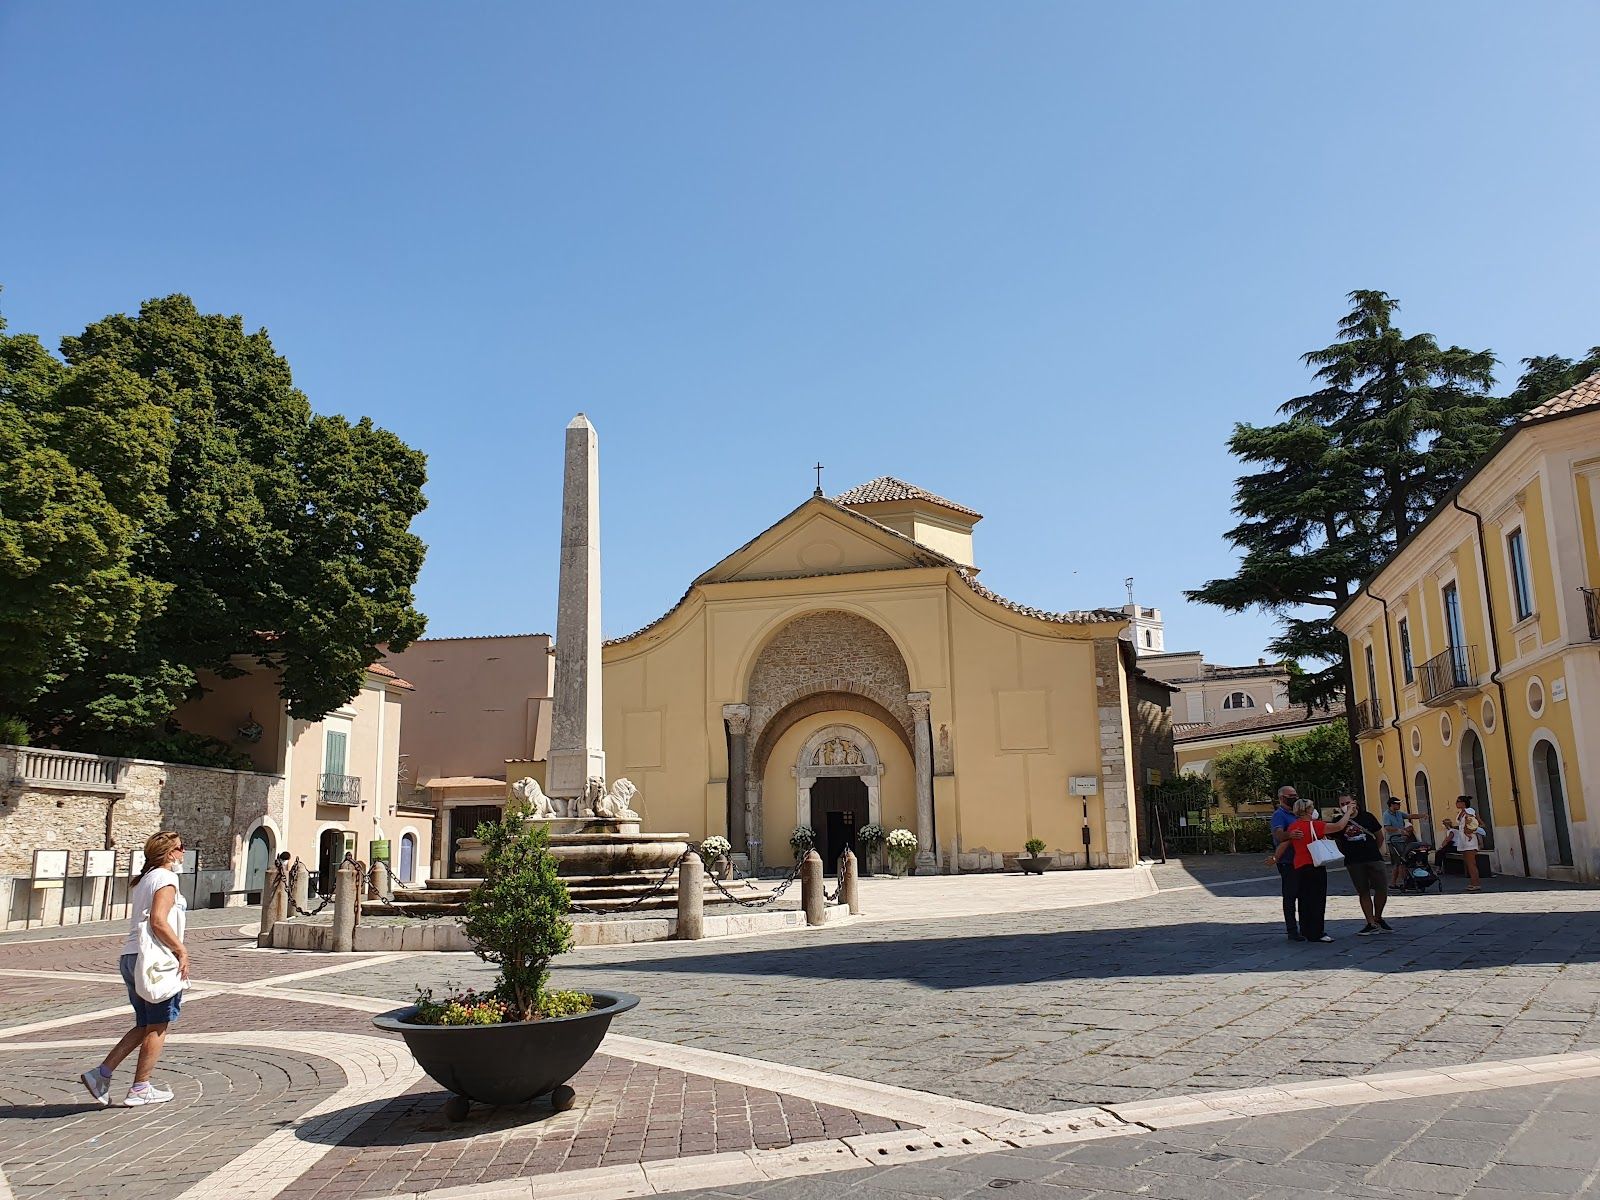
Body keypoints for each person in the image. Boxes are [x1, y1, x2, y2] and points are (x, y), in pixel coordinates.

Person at [80, 831, 190, 1107]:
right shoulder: (166, 878)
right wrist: (180, 949)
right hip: (154, 959)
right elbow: (158, 921)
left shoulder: (145, 879)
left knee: (144, 1023)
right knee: (158, 1024)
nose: (183, 853)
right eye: (180, 848)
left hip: (131, 957)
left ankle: (101, 1074)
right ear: (169, 853)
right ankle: (140, 1087)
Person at [1270, 798, 1353, 942]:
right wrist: (1349, 812)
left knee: (1304, 900)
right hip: (1315, 865)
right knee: (1317, 900)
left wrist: (1275, 858)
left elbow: (1284, 843)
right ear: (1308, 810)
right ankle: (1316, 932)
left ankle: (1305, 929)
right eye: (1312, 807)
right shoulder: (1317, 826)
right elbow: (1339, 826)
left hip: (1299, 865)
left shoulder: (1294, 826)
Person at [1332, 794, 1390, 935]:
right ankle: (1370, 922)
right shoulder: (1338, 821)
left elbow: (1379, 836)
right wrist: (1346, 853)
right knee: (1363, 891)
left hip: (1373, 858)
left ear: (1354, 802)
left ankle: (1378, 917)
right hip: (1354, 861)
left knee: (1382, 888)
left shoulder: (1367, 817)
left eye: (1347, 802)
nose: (1345, 805)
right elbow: (1338, 841)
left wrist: (1375, 850)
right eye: (1342, 804)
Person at [1265, 785, 1307, 941]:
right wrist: (1290, 834)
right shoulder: (1279, 815)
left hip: (1303, 859)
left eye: (1296, 795)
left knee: (1304, 895)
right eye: (1291, 795)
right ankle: (1292, 930)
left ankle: (1305, 927)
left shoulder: (1298, 814)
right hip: (1288, 861)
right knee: (1290, 896)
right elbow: (1278, 835)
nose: (1294, 797)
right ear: (1282, 798)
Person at [1440, 796, 1485, 892]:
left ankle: (1476, 883)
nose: (1456, 803)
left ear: (1463, 803)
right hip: (1463, 839)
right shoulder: (1461, 812)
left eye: (1458, 801)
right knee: (1468, 863)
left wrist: (1468, 830)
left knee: (1471, 863)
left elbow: (1473, 821)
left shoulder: (1469, 811)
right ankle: (1473, 882)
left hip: (1469, 839)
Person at [1382, 798, 1424, 886]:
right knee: (1400, 861)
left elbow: (1409, 816)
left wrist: (1422, 815)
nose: (1399, 805)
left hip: (1402, 840)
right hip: (1393, 841)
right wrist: (1400, 830)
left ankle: (1395, 882)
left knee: (1400, 862)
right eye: (1397, 804)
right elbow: (1387, 827)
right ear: (1392, 805)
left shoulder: (1399, 813)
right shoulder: (1386, 815)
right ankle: (1403, 881)